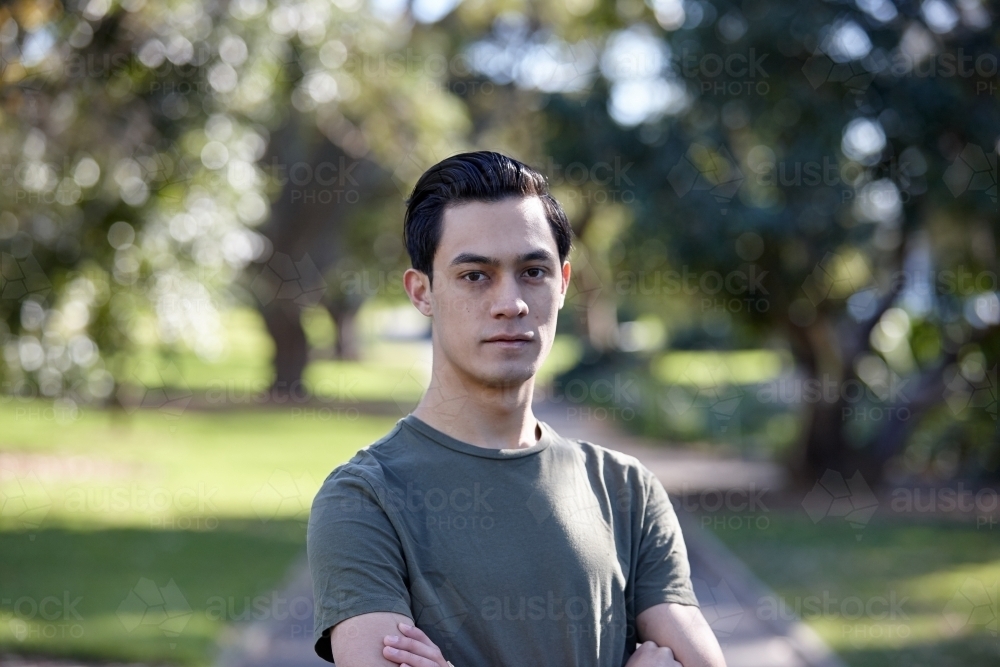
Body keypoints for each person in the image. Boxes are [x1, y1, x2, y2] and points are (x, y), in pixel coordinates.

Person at [307, 151, 727, 667]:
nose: (512, 302)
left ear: (563, 283)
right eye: (475, 276)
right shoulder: (364, 499)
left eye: (533, 271)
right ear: (422, 292)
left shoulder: (626, 489)